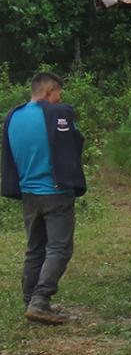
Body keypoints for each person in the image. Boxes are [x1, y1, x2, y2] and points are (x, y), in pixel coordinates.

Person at [2, 72, 86, 324]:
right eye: (59, 93)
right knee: (59, 248)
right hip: (55, 192)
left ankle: (30, 300)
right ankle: (40, 300)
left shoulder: (13, 116)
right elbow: (75, 141)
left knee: (34, 249)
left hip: (28, 193)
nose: (60, 99)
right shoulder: (56, 113)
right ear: (49, 92)